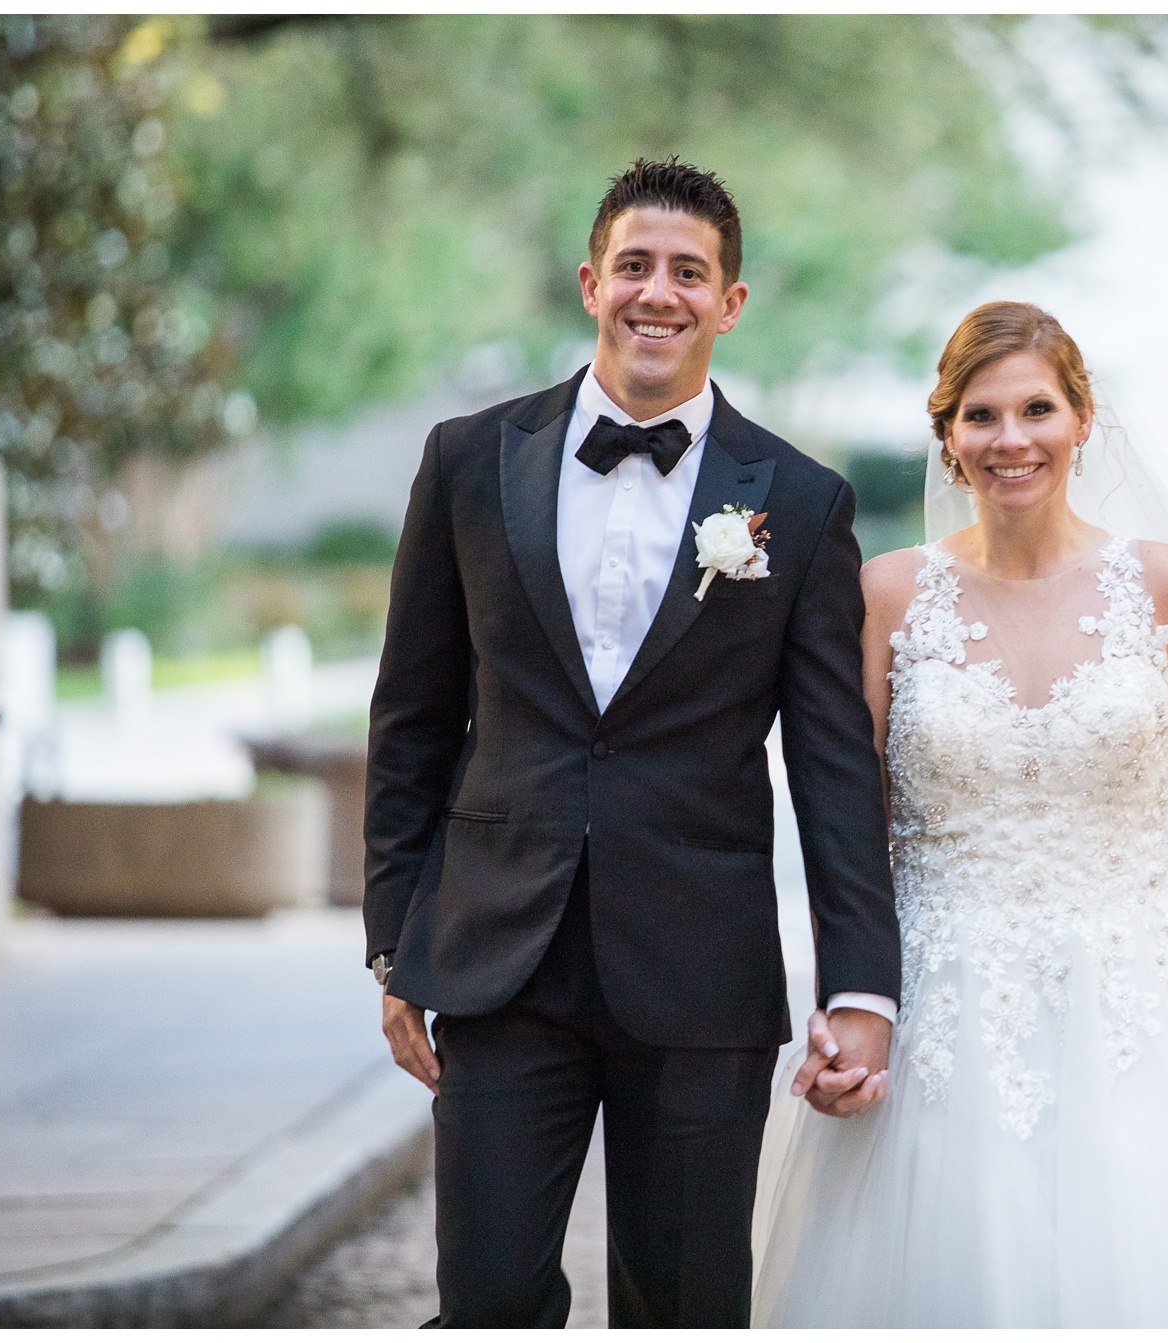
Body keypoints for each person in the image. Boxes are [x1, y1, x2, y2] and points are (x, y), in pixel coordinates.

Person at [754, 301, 1168, 1327]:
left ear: (1081, 420)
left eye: (1034, 409)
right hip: (943, 1005)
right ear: (947, 436)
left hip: (1141, 1000)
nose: (1009, 439)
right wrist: (850, 1004)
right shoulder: (885, 595)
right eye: (980, 416)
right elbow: (851, 832)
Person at [362, 157, 901, 1328]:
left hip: (699, 974)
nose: (659, 293)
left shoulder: (800, 504)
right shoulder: (468, 461)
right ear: (590, 282)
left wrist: (859, 981)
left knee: (686, 1307)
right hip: (501, 958)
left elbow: (831, 769)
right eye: (636, 267)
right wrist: (392, 941)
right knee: (489, 1295)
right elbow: (410, 718)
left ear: (731, 301)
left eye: (689, 273)